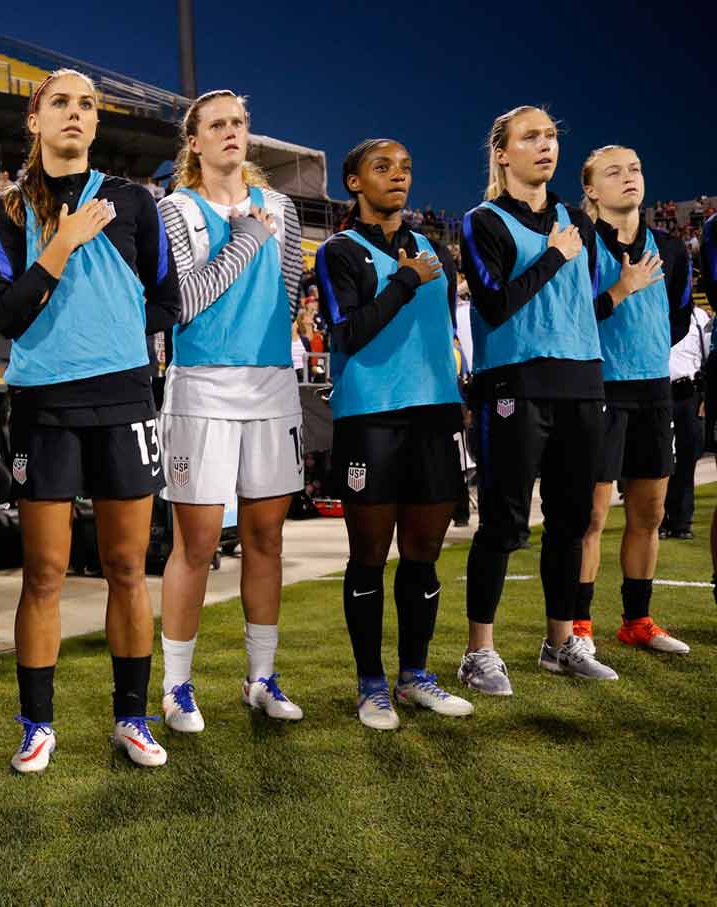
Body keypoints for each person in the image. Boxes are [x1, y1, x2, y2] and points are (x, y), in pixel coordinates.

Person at [0, 70, 179, 770]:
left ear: (97, 125)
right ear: (34, 121)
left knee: (128, 565)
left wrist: (118, 344)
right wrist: (61, 245)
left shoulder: (134, 201)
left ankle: (133, 716)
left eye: (87, 104)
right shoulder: (6, 209)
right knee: (45, 571)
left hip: (126, 398)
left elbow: (168, 301)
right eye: (60, 102)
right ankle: (37, 723)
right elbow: (6, 315)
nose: (75, 113)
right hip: (44, 406)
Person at [152, 90, 305, 735]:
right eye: (216, 125)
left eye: (239, 122)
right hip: (201, 386)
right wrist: (244, 239)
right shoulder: (174, 209)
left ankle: (260, 678)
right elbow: (185, 301)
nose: (231, 133)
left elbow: (291, 288)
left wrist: (254, 246)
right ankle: (177, 687)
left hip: (271, 382)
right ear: (194, 141)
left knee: (267, 538)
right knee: (198, 544)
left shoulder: (284, 208)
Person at [316, 139, 474, 730]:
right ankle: (371, 685)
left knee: (423, 556)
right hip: (371, 418)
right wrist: (403, 281)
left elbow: (444, 334)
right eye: (382, 168)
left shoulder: (436, 249)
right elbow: (348, 334)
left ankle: (414, 677)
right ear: (354, 182)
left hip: (435, 415)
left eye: (406, 167)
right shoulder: (338, 251)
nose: (398, 177)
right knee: (368, 557)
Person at [457, 105, 614, 695]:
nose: (545, 145)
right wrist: (554, 254)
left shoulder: (578, 220)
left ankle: (561, 643)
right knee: (502, 522)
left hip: (581, 381)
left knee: (573, 523)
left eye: (551, 135)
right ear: (502, 153)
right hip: (514, 384)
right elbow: (495, 306)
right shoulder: (483, 220)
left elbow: (580, 303)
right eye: (531, 137)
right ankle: (480, 653)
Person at [575, 145, 693, 656]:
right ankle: (577, 628)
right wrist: (622, 290)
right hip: (598, 390)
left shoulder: (670, 247)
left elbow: (680, 319)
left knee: (650, 512)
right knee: (591, 518)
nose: (630, 178)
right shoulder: (580, 244)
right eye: (615, 171)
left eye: (636, 169)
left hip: (654, 390)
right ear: (591, 190)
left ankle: (637, 620)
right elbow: (570, 318)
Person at [664, 302, 707, 540]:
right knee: (659, 461)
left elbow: (706, 359)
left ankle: (681, 522)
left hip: (689, 395)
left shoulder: (698, 316)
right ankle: (659, 520)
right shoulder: (658, 310)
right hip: (659, 392)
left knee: (687, 460)